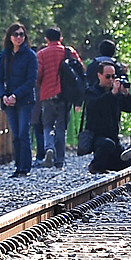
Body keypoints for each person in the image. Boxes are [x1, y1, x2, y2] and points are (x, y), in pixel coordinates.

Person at [34, 27, 85, 170]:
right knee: (61, 127)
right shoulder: (69, 52)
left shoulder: (42, 54)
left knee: (47, 125)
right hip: (65, 94)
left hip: (47, 94)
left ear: (46, 39)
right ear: (61, 38)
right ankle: (59, 160)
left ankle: (49, 148)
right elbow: (80, 69)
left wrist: (42, 85)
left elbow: (38, 75)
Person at [0, 22, 39, 177]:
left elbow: (31, 80)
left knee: (23, 133)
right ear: (10, 37)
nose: (19, 37)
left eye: (21, 34)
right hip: (8, 101)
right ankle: (18, 166)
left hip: (24, 100)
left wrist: (16, 95)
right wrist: (4, 96)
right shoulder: (5, 55)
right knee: (15, 135)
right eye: (16, 34)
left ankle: (25, 167)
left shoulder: (30, 56)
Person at [83, 50, 131, 172]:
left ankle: (107, 165)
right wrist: (112, 94)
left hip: (113, 137)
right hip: (97, 136)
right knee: (107, 144)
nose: (111, 80)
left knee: (129, 166)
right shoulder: (91, 92)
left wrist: (125, 94)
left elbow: (128, 108)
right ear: (99, 75)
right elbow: (95, 105)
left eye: (113, 76)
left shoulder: (115, 92)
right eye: (107, 77)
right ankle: (95, 167)